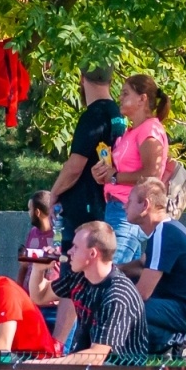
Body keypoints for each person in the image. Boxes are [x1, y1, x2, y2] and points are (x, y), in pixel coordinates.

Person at [121, 177, 186, 359]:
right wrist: (111, 269)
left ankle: (182, 342)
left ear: (145, 205)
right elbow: (142, 265)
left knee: (124, 307)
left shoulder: (164, 233)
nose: (124, 206)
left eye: (129, 201)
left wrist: (111, 297)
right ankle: (170, 348)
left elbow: (142, 294)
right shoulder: (164, 230)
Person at [41, 221, 148, 365]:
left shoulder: (117, 295)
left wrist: (46, 365)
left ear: (92, 253)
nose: (69, 252)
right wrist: (38, 268)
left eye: (76, 247)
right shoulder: (80, 277)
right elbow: (39, 296)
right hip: (90, 369)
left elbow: (97, 355)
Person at [90, 74, 171, 264]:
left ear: (142, 99)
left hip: (127, 211)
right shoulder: (131, 131)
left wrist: (115, 177)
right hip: (119, 208)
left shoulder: (150, 130)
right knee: (123, 274)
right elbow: (119, 171)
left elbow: (152, 174)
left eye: (126, 93)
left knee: (108, 270)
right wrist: (103, 174)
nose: (120, 97)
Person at [50, 67, 128, 250]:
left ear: (82, 78)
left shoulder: (93, 115)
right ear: (111, 80)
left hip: (84, 210)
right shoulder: (118, 114)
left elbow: (75, 166)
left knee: (73, 263)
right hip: (106, 204)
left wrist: (53, 193)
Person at [19, 191, 58, 294]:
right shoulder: (32, 233)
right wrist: (18, 290)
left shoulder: (59, 235)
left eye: (30, 209)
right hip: (29, 296)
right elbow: (24, 265)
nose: (29, 213)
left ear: (37, 212)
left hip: (50, 298)